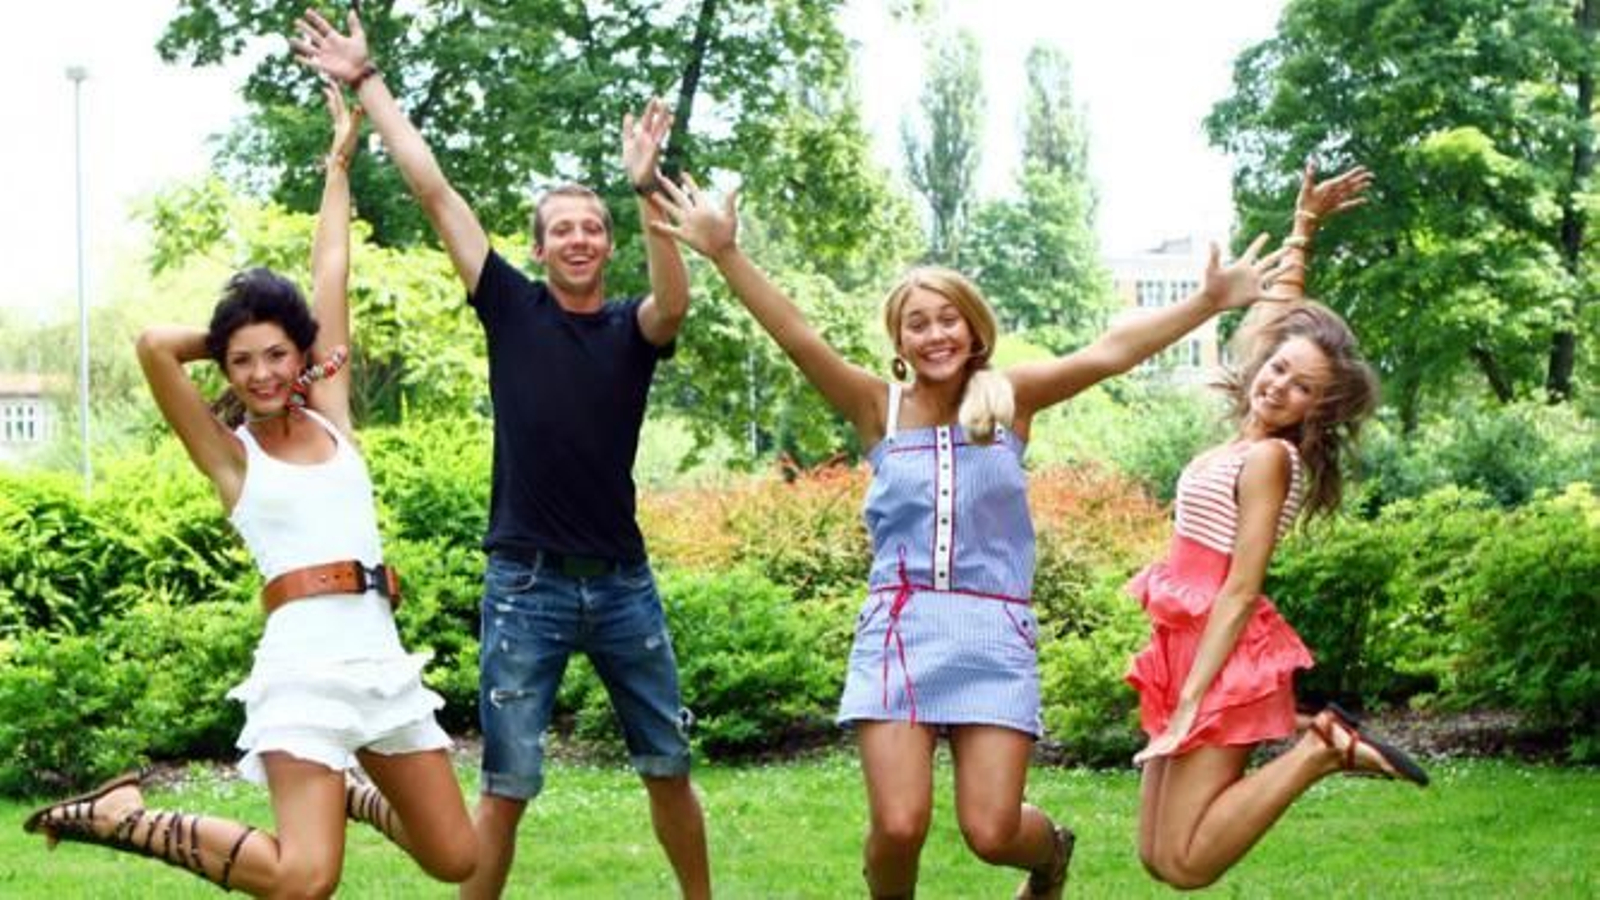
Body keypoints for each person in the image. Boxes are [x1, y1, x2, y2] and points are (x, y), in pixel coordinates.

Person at [648, 170, 1295, 899]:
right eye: (917, 323)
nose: (935, 334)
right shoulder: (877, 408)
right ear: (898, 340)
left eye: (947, 318)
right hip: (899, 630)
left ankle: (1049, 856)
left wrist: (1207, 300)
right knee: (898, 825)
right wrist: (726, 254)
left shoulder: (1010, 401)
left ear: (973, 327)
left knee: (992, 833)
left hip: (993, 635)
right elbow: (797, 335)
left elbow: (1109, 352)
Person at [290, 9, 709, 899]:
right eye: (563, 228)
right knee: (507, 788)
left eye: (592, 227)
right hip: (526, 584)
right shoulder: (511, 307)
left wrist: (645, 192)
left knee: (667, 765)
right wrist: (369, 82)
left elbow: (674, 302)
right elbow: (435, 191)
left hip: (624, 583)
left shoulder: (634, 328)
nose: (580, 239)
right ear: (539, 245)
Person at [22, 83, 477, 896]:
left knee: (458, 858)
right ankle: (123, 815)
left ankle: (352, 795)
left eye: (277, 355)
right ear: (227, 368)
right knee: (306, 881)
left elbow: (330, 267)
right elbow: (155, 346)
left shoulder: (332, 417)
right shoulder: (231, 457)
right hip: (302, 668)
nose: (262, 373)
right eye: (243, 361)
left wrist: (339, 167)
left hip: (377, 655)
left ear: (301, 357)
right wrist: (244, 325)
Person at [1126, 164, 1430, 892]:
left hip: (1220, 655)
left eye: (1302, 390)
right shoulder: (1242, 434)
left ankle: (1321, 749)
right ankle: (1320, 744)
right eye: (1280, 370)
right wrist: (1303, 229)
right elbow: (1276, 317)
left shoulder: (1267, 460)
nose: (1278, 386)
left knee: (1186, 865)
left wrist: (1194, 699)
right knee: (1154, 856)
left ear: (1313, 413)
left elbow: (1239, 589)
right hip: (1182, 642)